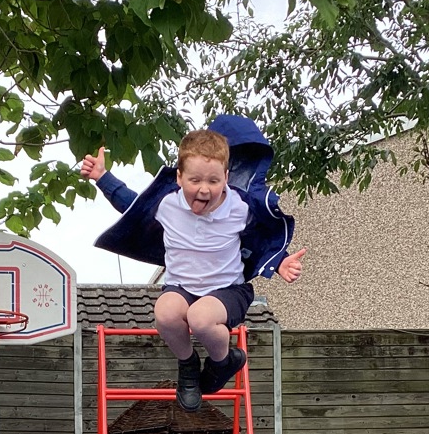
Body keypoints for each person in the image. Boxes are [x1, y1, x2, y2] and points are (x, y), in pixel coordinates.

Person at [79, 117, 306, 411]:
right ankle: (188, 366)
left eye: (213, 181)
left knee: (200, 318)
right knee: (166, 313)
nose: (204, 190)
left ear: (226, 176)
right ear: (178, 178)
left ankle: (223, 361)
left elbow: (263, 239)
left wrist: (280, 261)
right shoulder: (167, 204)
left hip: (228, 290)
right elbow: (131, 204)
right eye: (195, 180)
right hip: (182, 286)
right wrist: (102, 176)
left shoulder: (240, 207)